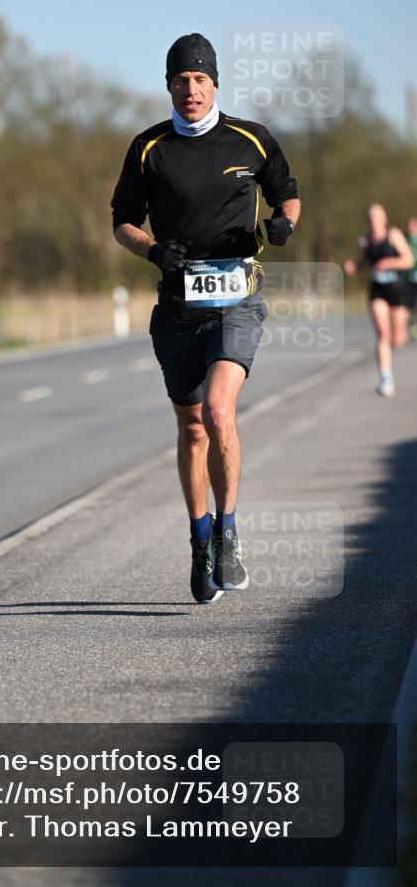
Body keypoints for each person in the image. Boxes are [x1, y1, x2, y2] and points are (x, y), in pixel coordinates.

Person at [111, 33, 300, 604]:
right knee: (191, 427)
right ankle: (200, 541)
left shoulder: (251, 139)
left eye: (199, 80)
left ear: (215, 83)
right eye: (180, 80)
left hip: (238, 298)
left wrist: (285, 223)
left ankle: (230, 531)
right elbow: (122, 221)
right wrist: (151, 251)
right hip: (177, 309)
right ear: (168, 85)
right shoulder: (148, 148)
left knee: (219, 411)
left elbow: (287, 193)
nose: (190, 90)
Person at [343, 204, 413, 397]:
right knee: (383, 333)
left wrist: (390, 262)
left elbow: (409, 260)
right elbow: (365, 261)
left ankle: (393, 350)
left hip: (398, 290)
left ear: (385, 218)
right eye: (370, 217)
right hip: (378, 290)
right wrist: (354, 266)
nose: (374, 219)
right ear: (368, 220)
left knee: (398, 340)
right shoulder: (365, 240)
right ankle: (386, 379)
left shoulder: (394, 235)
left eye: (377, 216)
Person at [406, 216, 417, 336]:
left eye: (413, 225)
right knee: (410, 303)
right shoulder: (405, 240)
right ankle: (412, 324)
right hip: (408, 277)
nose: (410, 228)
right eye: (409, 225)